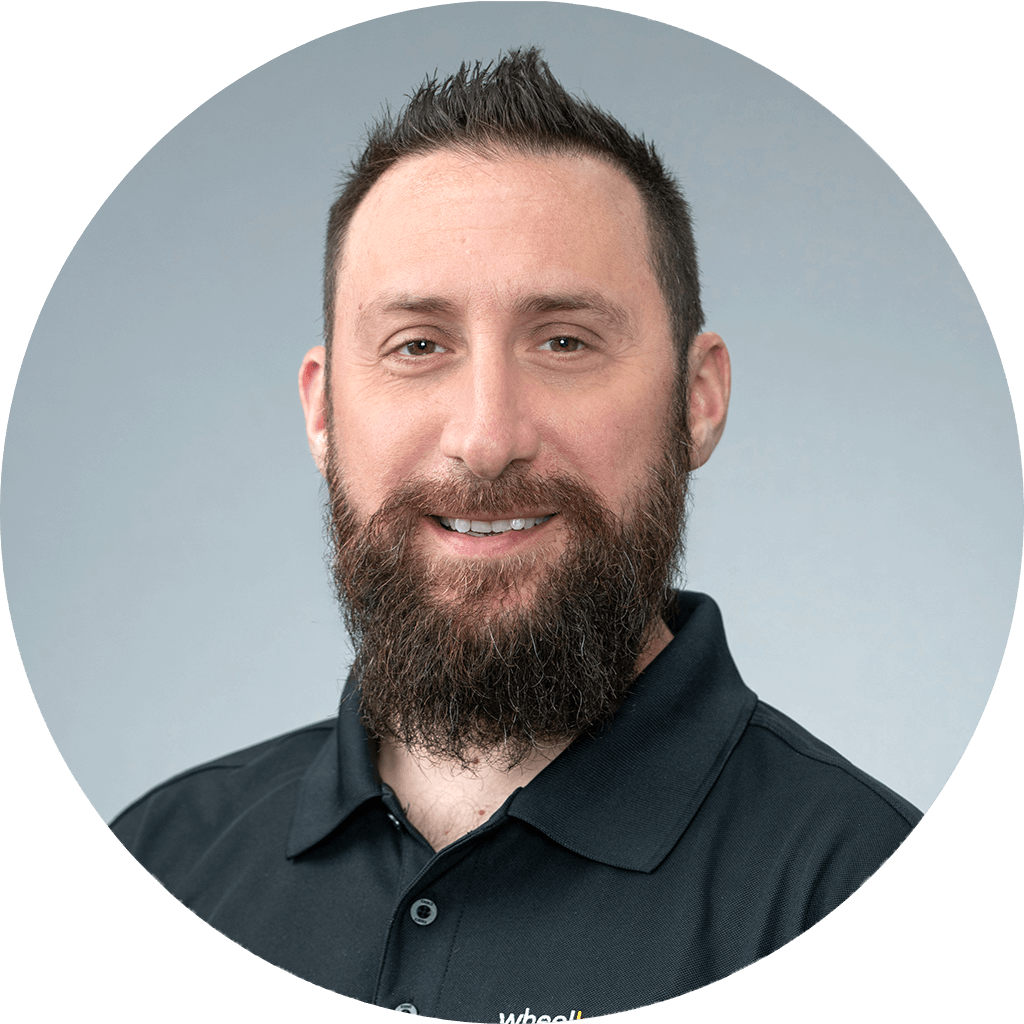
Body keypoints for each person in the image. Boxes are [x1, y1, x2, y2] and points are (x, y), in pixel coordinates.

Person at [111, 48, 922, 1017]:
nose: (487, 438)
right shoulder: (164, 856)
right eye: (418, 345)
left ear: (697, 400)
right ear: (323, 414)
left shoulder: (846, 878)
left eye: (564, 341)